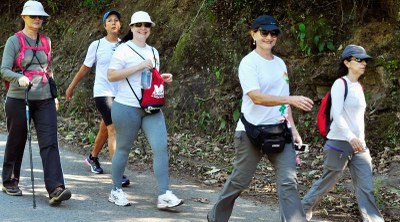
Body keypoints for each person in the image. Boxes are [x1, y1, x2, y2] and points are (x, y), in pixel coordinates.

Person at [207, 15, 314, 222]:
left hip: (279, 131)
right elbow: (256, 97)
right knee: (240, 181)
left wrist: (293, 129)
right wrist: (290, 98)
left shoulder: (280, 63)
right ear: (253, 34)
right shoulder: (248, 63)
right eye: (264, 32)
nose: (269, 37)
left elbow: (284, 104)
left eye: (273, 33)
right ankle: (216, 217)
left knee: (288, 182)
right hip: (250, 132)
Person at [106, 10, 184, 208]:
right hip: (126, 106)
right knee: (123, 148)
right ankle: (116, 190)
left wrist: (162, 77)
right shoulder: (122, 50)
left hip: (151, 107)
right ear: (131, 28)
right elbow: (112, 76)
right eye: (139, 25)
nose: (143, 28)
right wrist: (138, 66)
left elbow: (149, 77)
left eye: (147, 25)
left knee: (161, 148)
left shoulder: (154, 51)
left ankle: (164, 194)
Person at [302, 45, 384, 221]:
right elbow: (336, 115)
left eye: (365, 60)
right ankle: (300, 212)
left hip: (359, 146)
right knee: (327, 183)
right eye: (359, 60)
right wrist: (350, 137)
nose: (363, 63)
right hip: (339, 143)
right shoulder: (340, 84)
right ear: (347, 62)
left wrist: (359, 140)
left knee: (366, 187)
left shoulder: (358, 87)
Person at [1, 0, 71, 206]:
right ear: (24, 17)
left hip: (45, 99)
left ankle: (56, 188)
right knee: (17, 140)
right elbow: (4, 69)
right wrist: (18, 77)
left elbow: (48, 70)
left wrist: (55, 95)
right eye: (33, 16)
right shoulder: (14, 41)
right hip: (18, 98)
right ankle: (9, 180)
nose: (38, 19)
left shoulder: (46, 41)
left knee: (50, 142)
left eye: (41, 16)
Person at [65, 9, 129, 187]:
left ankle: (92, 158)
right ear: (105, 25)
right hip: (103, 92)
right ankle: (118, 174)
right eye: (110, 20)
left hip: (121, 93)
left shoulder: (125, 45)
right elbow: (85, 68)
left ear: (121, 24)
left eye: (117, 20)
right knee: (113, 129)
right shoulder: (97, 45)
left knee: (105, 127)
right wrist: (71, 86)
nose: (114, 23)